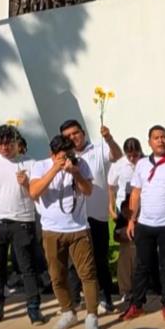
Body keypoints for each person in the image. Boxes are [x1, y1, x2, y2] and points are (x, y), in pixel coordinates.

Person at [0, 124, 45, 326]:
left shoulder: (30, 164)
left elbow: (37, 192)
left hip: (22, 221)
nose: (5, 147)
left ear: (17, 143)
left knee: (27, 267)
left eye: (9, 143)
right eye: (0, 144)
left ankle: (33, 308)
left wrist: (26, 183)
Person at [120, 126, 165, 321]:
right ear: (149, 142)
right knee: (142, 265)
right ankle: (137, 304)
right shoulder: (142, 164)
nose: (160, 141)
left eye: (163, 137)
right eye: (156, 138)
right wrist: (132, 220)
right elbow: (135, 193)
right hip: (145, 224)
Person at [29, 135, 98, 329]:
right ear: (52, 154)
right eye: (62, 154)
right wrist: (55, 169)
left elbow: (88, 191)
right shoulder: (40, 166)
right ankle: (68, 311)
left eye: (70, 153)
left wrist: (75, 173)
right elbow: (34, 192)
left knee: (87, 273)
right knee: (56, 276)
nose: (68, 157)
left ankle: (92, 315)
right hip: (51, 230)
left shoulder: (80, 164)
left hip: (78, 228)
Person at [60, 119, 122, 313]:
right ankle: (75, 300)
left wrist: (109, 139)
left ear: (83, 133)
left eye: (75, 133)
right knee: (73, 261)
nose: (73, 138)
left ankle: (105, 298)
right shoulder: (63, 157)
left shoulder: (98, 148)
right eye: (68, 136)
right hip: (73, 218)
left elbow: (117, 155)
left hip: (97, 214)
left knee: (99, 259)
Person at [108, 137, 142, 305]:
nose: (132, 159)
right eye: (130, 155)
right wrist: (110, 206)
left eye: (135, 155)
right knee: (125, 251)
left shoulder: (145, 162)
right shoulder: (119, 164)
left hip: (143, 208)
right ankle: (124, 289)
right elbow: (111, 186)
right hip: (124, 208)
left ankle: (140, 286)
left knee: (139, 250)